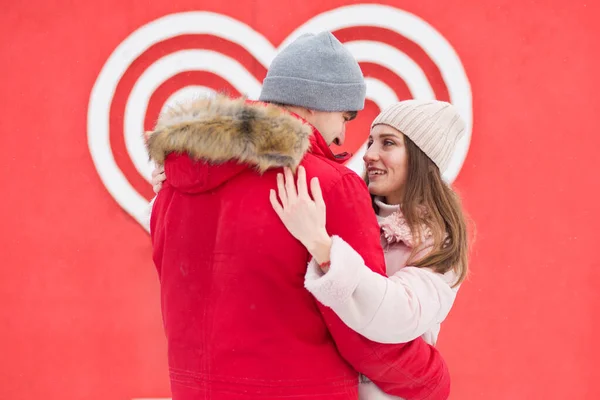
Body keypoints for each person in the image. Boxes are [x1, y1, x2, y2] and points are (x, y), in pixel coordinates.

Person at [146, 32, 450, 399]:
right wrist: (432, 379)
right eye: (346, 116)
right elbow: (364, 335)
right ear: (316, 105)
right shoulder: (327, 186)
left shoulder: (174, 184)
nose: (341, 137)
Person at [270, 99, 470, 399]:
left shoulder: (438, 239)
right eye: (371, 141)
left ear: (421, 158)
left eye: (388, 143)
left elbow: (400, 315)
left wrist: (323, 247)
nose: (369, 155)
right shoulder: (348, 214)